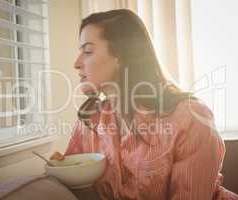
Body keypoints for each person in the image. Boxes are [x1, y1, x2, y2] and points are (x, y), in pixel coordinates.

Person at [50, 9, 238, 200]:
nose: (76, 63)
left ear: (121, 56)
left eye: (88, 51)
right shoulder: (89, 122)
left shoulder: (191, 117)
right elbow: (71, 175)